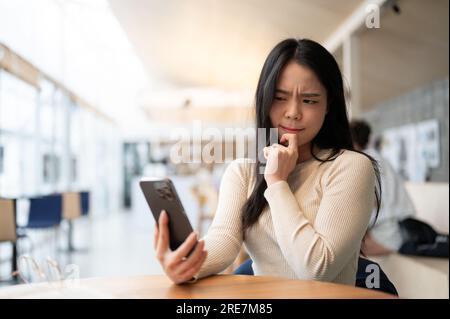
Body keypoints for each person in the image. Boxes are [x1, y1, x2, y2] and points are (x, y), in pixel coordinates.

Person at [153, 38, 382, 285]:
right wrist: (187, 263)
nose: (293, 111)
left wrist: (276, 183)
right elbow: (223, 241)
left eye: (309, 100)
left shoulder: (351, 167)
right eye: (280, 97)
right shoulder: (243, 172)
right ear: (264, 99)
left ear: (329, 106)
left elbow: (317, 269)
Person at [351, 120, 448, 258]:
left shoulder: (364, 162)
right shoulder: (376, 158)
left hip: (390, 233)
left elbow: (368, 208)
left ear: (353, 141)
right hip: (396, 228)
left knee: (345, 253)